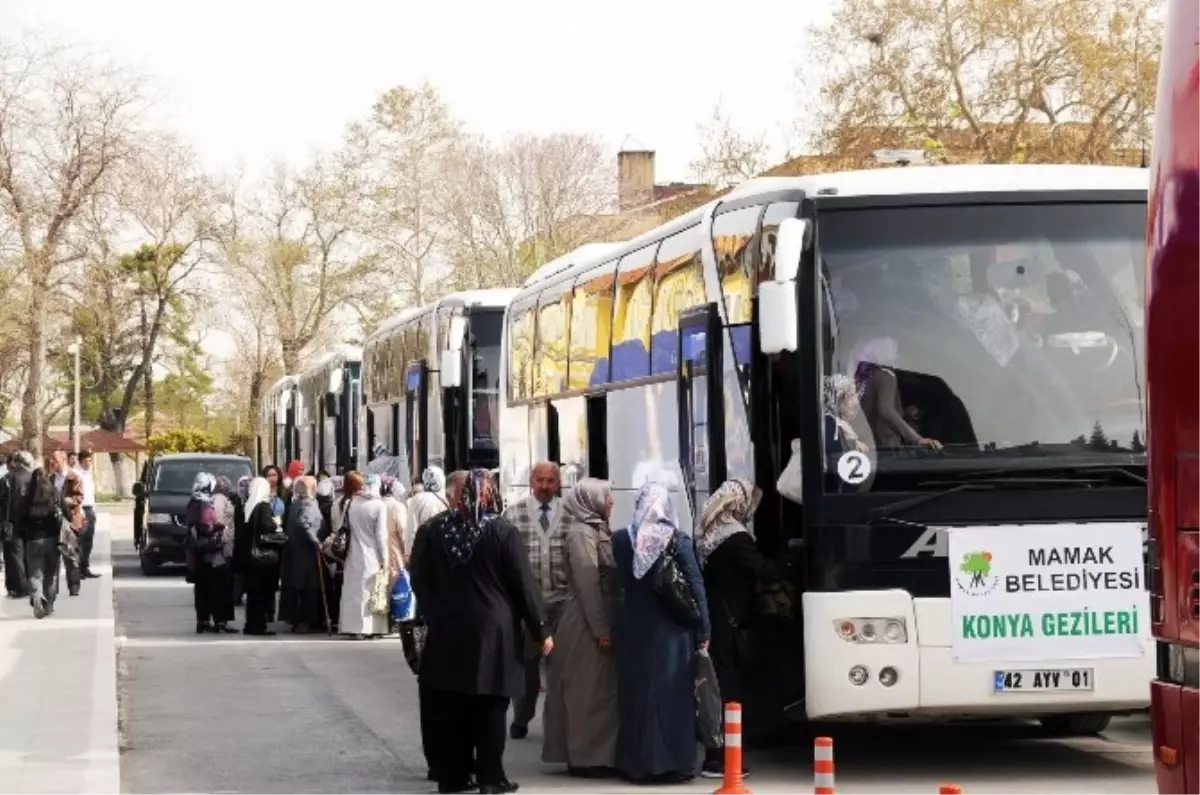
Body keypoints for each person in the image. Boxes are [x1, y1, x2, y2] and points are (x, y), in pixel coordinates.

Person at [410, 469, 549, 795]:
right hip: (493, 632)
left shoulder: (436, 531)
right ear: (490, 494)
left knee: (452, 705)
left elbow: (420, 578)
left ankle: (454, 776)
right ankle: (491, 776)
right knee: (491, 704)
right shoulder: (502, 532)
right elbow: (523, 586)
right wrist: (541, 628)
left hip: (448, 629)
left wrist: (435, 609)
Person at [612, 481, 710, 783]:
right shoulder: (677, 540)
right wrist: (704, 628)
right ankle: (674, 764)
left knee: (637, 696)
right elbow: (695, 586)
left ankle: (636, 765)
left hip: (634, 628)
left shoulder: (620, 540)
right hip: (673, 632)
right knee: (672, 697)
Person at [694, 478, 785, 778]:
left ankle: (716, 756)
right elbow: (764, 571)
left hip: (717, 623)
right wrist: (794, 560)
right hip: (732, 627)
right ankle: (724, 761)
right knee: (730, 693)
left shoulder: (711, 534)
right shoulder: (736, 538)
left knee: (718, 690)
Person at [542, 478, 618, 778]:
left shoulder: (596, 529)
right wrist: (601, 629)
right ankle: (586, 758)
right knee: (588, 692)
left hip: (591, 618)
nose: (611, 502)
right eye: (607, 497)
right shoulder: (581, 534)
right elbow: (588, 585)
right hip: (585, 623)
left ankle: (594, 754)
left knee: (596, 690)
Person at [501, 461, 570, 740]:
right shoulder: (513, 514)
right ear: (531, 482)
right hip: (528, 607)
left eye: (550, 480)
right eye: (539, 480)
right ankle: (522, 717)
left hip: (563, 602)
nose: (544, 486)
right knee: (527, 668)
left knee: (562, 667)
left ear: (558, 483)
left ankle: (560, 724)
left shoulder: (570, 514)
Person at [337, 471, 390, 639]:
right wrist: (385, 559)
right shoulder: (378, 505)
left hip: (353, 553)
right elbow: (381, 535)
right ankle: (372, 627)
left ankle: (353, 626)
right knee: (372, 590)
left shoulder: (351, 502)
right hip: (372, 553)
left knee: (354, 591)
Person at [187, 473, 237, 634]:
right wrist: (219, 527)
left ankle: (203, 621)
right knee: (218, 586)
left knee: (202, 588)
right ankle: (220, 621)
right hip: (211, 552)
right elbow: (206, 527)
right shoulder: (204, 504)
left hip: (198, 553)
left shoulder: (193, 501)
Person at [279, 476, 326, 633]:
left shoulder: (295, 503)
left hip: (295, 552)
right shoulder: (308, 504)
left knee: (297, 586)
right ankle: (304, 620)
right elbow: (303, 524)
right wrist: (316, 542)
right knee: (308, 587)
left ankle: (295, 618)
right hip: (306, 553)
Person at [21, 460, 68, 618]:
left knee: (35, 573)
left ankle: (36, 596)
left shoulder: (27, 498)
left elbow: (20, 520)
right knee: (51, 573)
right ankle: (49, 604)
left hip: (32, 540)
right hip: (53, 539)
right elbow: (67, 514)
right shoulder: (55, 494)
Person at [242, 476, 280, 636]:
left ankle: (251, 624)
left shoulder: (249, 505)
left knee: (253, 594)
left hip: (250, 556)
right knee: (262, 592)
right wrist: (276, 522)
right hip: (263, 556)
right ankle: (259, 626)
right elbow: (266, 526)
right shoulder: (263, 506)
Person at [1, 451, 33, 599]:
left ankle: (18, 587)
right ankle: (27, 584)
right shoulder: (34, 477)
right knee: (26, 554)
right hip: (31, 522)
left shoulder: (8, 479)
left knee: (13, 555)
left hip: (11, 523)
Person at [380, 477, 409, 633]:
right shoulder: (397, 507)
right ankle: (395, 619)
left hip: (380, 551)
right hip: (394, 551)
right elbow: (403, 532)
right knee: (395, 586)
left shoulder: (378, 504)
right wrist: (407, 552)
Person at [407, 466, 449, 549]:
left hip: (424, 546)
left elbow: (411, 528)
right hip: (444, 546)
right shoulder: (448, 496)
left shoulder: (417, 499)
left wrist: (408, 550)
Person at [74, 450, 99, 579]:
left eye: (90, 460)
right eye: (86, 461)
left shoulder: (88, 474)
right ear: (80, 461)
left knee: (89, 540)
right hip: (80, 510)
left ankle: (85, 567)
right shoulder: (76, 474)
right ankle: (77, 569)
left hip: (90, 509)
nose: (89, 463)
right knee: (80, 541)